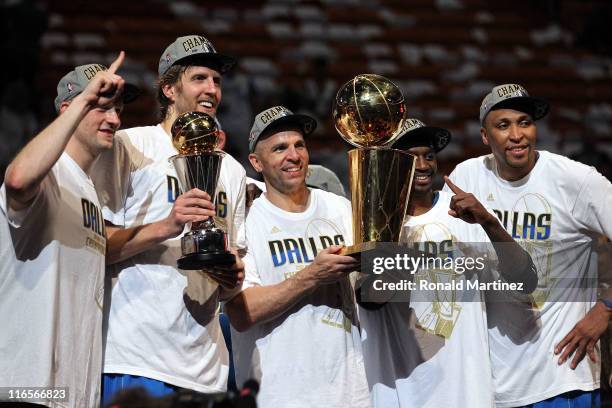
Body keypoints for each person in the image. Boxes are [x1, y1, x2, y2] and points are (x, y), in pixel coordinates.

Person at [92, 35, 247, 403]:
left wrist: (234, 277)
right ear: (169, 89)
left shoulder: (233, 170)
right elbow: (97, 247)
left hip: (207, 367)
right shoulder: (131, 147)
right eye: (199, 78)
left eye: (217, 81)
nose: (212, 89)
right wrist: (168, 225)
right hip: (137, 357)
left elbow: (232, 262)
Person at [446, 84, 612, 407]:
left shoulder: (575, 180)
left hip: (562, 376)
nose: (517, 134)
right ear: (484, 136)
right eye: (503, 125)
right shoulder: (466, 177)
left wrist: (606, 308)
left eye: (525, 122)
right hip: (492, 381)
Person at [357, 118, 536, 408]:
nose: (424, 166)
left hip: (468, 392)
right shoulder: (376, 226)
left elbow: (526, 281)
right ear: (390, 163)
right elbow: (370, 300)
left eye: (428, 156)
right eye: (411, 158)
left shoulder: (465, 213)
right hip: (401, 393)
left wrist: (490, 223)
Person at [0, 53, 137, 407]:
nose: (114, 118)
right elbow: (16, 181)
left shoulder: (89, 189)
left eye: (117, 109)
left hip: (71, 392)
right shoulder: (50, 171)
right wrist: (84, 99)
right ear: (68, 109)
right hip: (27, 386)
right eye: (100, 106)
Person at [225, 106, 370, 407]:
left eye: (299, 145)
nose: (294, 155)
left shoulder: (339, 208)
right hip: (278, 395)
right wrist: (312, 275)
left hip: (351, 392)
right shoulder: (246, 219)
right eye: (280, 148)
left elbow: (369, 293)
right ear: (256, 162)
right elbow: (241, 313)